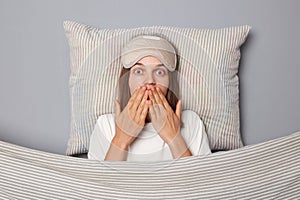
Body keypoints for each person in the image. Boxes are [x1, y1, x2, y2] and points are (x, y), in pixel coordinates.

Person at [88, 35, 211, 162]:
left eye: (159, 72)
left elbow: (201, 181)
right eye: (139, 71)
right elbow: (101, 182)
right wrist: (121, 140)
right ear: (127, 81)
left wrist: (174, 138)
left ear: (170, 83)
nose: (150, 81)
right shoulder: (106, 125)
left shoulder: (191, 122)